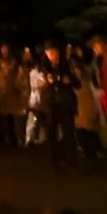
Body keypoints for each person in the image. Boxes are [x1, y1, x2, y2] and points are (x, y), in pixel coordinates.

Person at [41, 43, 78, 171]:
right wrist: (47, 81)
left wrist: (68, 80)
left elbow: (77, 82)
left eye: (53, 52)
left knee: (68, 133)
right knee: (51, 133)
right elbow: (40, 82)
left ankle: (71, 160)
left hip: (65, 103)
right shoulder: (43, 66)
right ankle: (53, 160)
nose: (51, 55)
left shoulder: (67, 64)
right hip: (50, 103)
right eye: (48, 53)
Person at [0, 43, 28, 149]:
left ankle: (19, 139)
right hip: (3, 100)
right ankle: (7, 138)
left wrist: (21, 96)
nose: (5, 67)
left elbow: (21, 84)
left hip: (15, 99)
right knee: (5, 121)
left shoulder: (16, 71)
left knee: (17, 121)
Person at [71, 57, 100, 161]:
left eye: (78, 70)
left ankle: (91, 153)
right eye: (75, 71)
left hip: (88, 111)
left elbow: (94, 96)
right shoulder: (73, 85)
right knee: (81, 133)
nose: (77, 73)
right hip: (78, 113)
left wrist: (95, 109)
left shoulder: (87, 83)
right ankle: (86, 152)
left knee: (89, 133)